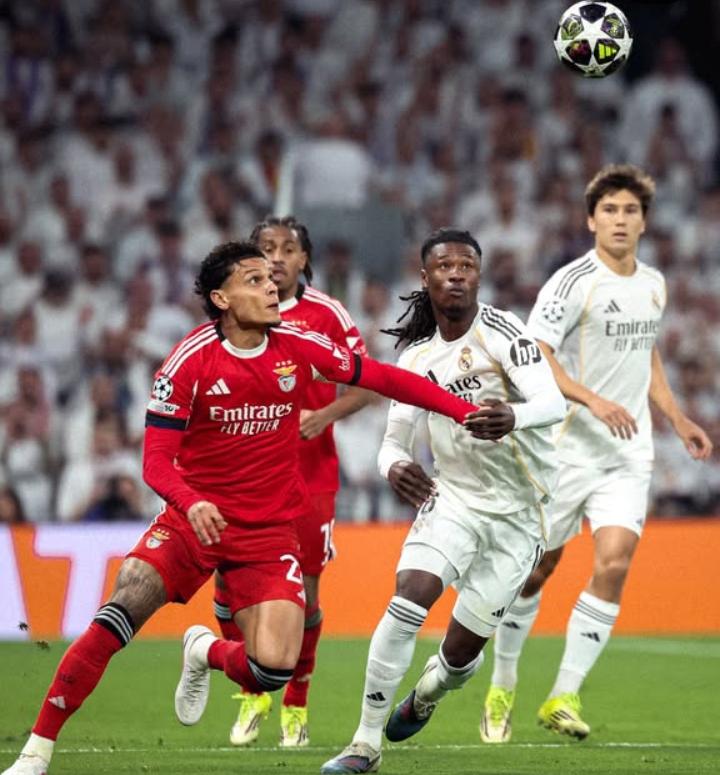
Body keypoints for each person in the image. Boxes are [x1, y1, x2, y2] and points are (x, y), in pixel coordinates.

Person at [1, 239, 486, 775]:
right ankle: (36, 752)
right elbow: (155, 464)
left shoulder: (298, 344)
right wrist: (191, 503)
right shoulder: (189, 362)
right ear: (222, 298)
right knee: (120, 611)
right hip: (192, 522)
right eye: (254, 280)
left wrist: (464, 412)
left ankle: (203, 650)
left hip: (269, 532)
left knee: (273, 669)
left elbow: (383, 378)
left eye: (270, 278)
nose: (272, 285)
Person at [479, 165, 713, 745]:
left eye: (630, 211)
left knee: (613, 563)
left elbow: (647, 355)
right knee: (538, 569)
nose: (620, 220)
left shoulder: (653, 284)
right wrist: (592, 400)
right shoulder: (571, 283)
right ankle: (503, 680)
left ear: (644, 222)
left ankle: (563, 693)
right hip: (565, 450)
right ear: (590, 220)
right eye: (609, 210)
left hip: (627, 454)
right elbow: (534, 356)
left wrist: (677, 417)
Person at [320, 227, 567, 774]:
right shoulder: (416, 358)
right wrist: (396, 467)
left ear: (478, 276)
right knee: (409, 598)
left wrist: (514, 415)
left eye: (467, 266)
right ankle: (364, 743)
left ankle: (429, 691)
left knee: (458, 658)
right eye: (445, 266)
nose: (456, 274)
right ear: (426, 276)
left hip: (520, 516)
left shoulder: (503, 331)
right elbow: (391, 442)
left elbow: (551, 401)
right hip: (453, 500)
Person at [212, 216, 372, 748]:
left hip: (309, 476)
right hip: (242, 475)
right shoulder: (233, 310)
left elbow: (366, 383)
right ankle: (253, 691)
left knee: (304, 592)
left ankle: (296, 705)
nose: (276, 258)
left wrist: (324, 416)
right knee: (227, 588)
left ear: (305, 260)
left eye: (288, 249)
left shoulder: (326, 313)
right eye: (265, 248)